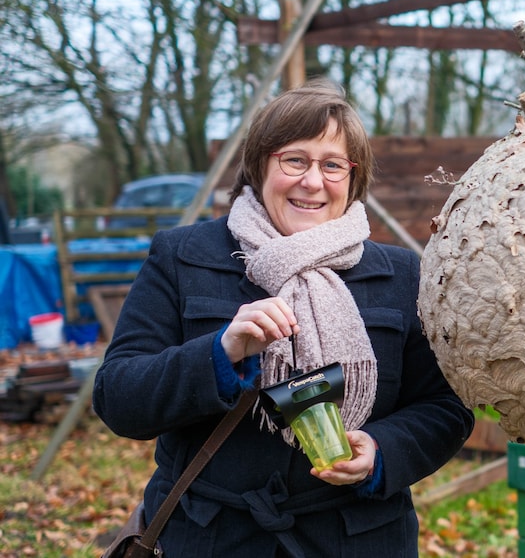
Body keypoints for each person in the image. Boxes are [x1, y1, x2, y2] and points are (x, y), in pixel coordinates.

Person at [93, 79, 475, 556]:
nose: (312, 181)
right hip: (210, 537)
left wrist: (382, 451)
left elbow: (446, 407)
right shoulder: (182, 256)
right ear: (259, 165)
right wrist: (221, 353)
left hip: (356, 538)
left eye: (333, 165)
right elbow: (117, 396)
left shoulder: (401, 274)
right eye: (294, 160)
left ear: (353, 178)